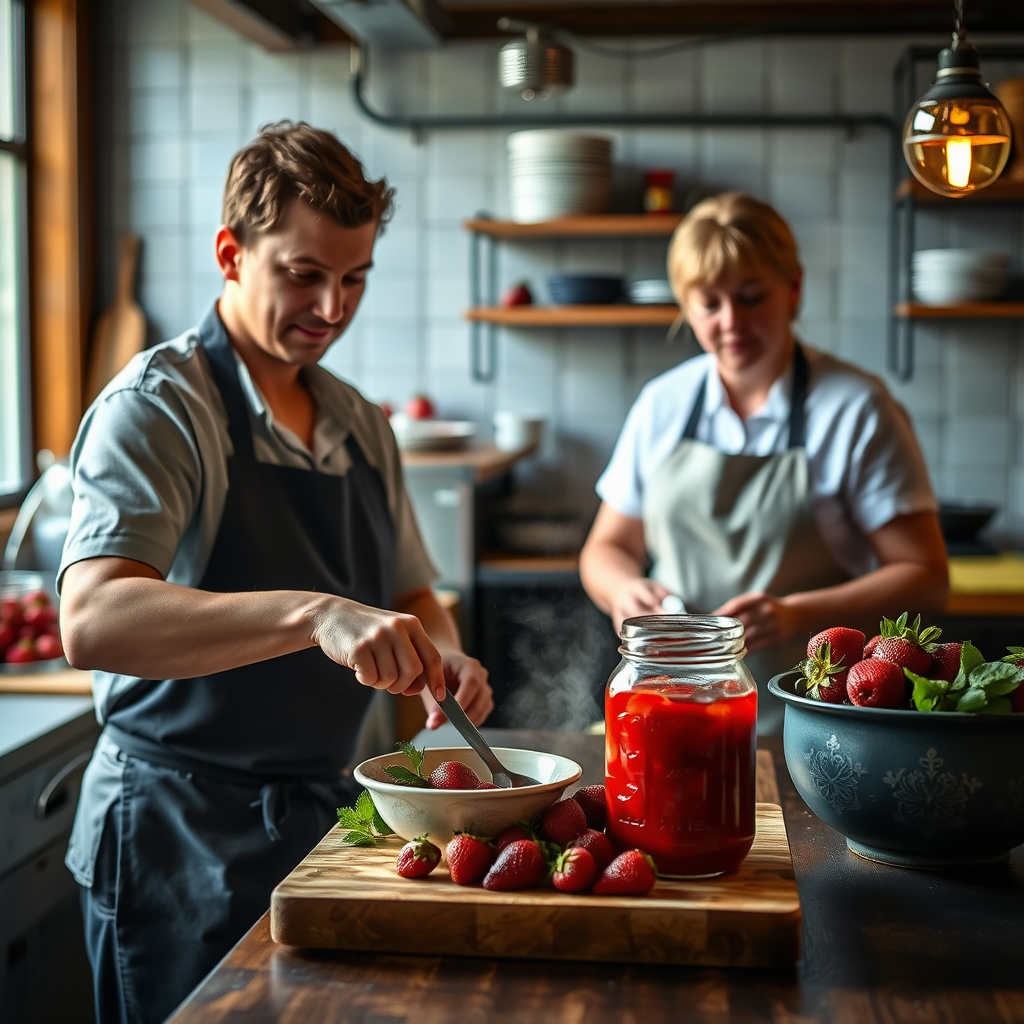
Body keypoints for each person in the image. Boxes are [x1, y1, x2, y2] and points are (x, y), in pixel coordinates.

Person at [59, 122, 493, 1024]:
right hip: (177, 834)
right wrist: (314, 615)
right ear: (231, 253)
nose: (332, 307)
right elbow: (93, 621)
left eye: (355, 278)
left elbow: (413, 591)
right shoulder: (160, 408)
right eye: (304, 273)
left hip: (322, 825)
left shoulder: (360, 423)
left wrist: (444, 654)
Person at [579, 192, 948, 731]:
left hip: (812, 718)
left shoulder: (857, 407)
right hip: (667, 709)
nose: (731, 321)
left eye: (751, 297)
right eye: (709, 303)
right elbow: (605, 549)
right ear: (685, 304)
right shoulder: (664, 403)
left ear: (793, 288)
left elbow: (926, 579)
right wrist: (623, 590)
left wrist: (798, 614)